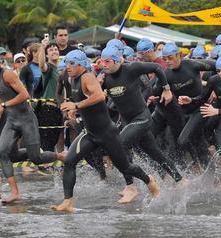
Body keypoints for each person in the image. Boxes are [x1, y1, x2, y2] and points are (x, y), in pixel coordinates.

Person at [51, 50, 159, 212]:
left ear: (82, 65)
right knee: (69, 161)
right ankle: (68, 202)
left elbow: (100, 96)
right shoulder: (71, 79)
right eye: (66, 63)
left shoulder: (87, 77)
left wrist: (76, 106)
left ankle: (148, 180)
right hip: (90, 133)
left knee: (126, 168)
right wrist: (75, 109)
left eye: (72, 63)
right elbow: (83, 99)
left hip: (107, 134)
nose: (68, 67)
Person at [99, 46, 184, 203]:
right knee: (154, 152)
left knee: (119, 145)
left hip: (142, 117)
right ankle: (179, 179)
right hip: (128, 121)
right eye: (101, 61)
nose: (103, 64)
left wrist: (166, 89)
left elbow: (157, 68)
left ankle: (131, 187)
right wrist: (98, 86)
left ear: (118, 61)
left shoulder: (132, 68)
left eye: (107, 61)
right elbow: (97, 97)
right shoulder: (104, 77)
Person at [0, 51, 64, 203]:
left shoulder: (8, 75)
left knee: (36, 158)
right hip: (12, 121)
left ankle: (60, 156)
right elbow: (1, 93)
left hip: (27, 120)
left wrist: (3, 106)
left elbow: (25, 95)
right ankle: (14, 193)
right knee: (3, 153)